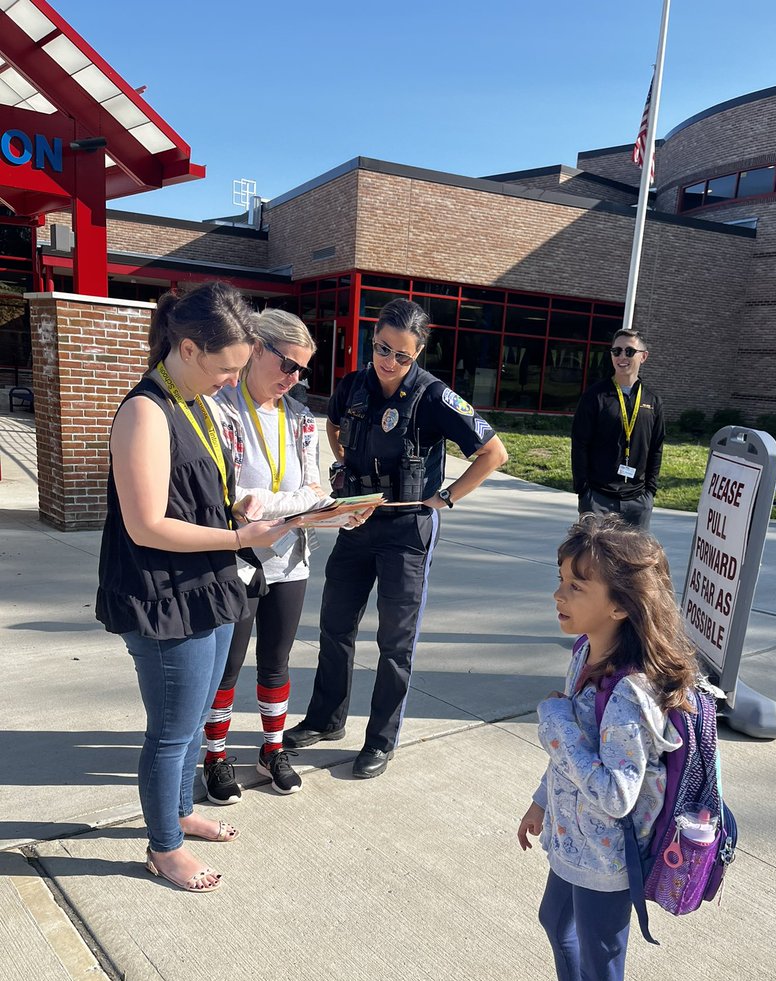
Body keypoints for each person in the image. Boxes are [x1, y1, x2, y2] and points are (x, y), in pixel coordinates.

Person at [96, 282, 304, 893]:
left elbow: (196, 495)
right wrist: (244, 541)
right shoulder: (145, 410)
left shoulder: (194, 402)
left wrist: (256, 514)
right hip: (163, 594)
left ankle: (181, 812)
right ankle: (164, 846)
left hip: (206, 582)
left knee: (194, 718)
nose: (231, 381)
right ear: (187, 347)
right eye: (225, 368)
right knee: (172, 730)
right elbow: (147, 525)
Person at [498, 513, 698, 981]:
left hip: (609, 863)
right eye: (560, 580)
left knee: (603, 964)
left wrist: (556, 730)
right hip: (572, 839)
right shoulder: (586, 653)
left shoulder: (631, 696)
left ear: (620, 605)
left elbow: (617, 793)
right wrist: (540, 799)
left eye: (576, 587)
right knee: (554, 923)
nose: (559, 596)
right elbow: (570, 748)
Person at [284, 297, 508, 779]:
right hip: (356, 522)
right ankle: (326, 719)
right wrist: (344, 464)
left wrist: (445, 499)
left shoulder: (434, 397)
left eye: (401, 356)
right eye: (382, 349)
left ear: (419, 352)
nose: (388, 362)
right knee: (335, 626)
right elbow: (335, 425)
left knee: (395, 642)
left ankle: (380, 740)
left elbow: (494, 452)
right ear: (373, 340)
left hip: (406, 531)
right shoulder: (353, 386)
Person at [201, 310, 335, 804]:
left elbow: (313, 487)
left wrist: (331, 510)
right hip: (237, 558)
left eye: (302, 370)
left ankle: (272, 749)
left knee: (276, 661)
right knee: (228, 667)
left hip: (290, 558)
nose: (294, 379)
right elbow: (236, 494)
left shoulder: (299, 416)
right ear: (256, 348)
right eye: (287, 365)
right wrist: (297, 500)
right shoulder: (222, 409)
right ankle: (216, 756)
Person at [570, 328, 665, 530]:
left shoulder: (652, 400)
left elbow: (656, 448)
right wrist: (584, 490)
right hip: (598, 498)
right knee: (593, 560)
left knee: (634, 561)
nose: (622, 356)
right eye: (617, 351)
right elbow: (579, 444)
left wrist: (650, 491)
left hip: (637, 501)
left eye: (629, 351)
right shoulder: (595, 396)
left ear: (643, 356)